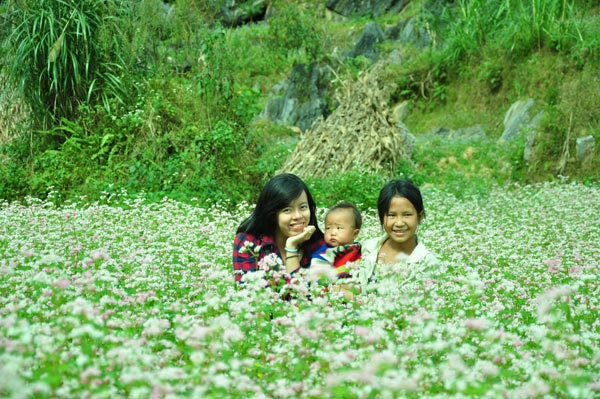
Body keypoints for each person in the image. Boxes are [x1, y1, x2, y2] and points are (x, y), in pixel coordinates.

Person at [233, 173, 325, 283]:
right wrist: (291, 247)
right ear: (272, 214)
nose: (298, 216)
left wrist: (291, 247)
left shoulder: (319, 245)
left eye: (303, 207)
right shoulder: (249, 243)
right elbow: (250, 294)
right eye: (287, 210)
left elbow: (325, 292)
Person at [359, 179, 439, 287]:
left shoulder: (428, 264)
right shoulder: (366, 248)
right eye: (391, 215)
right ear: (381, 217)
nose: (399, 223)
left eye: (407, 215)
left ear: (419, 217)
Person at [310, 201, 362, 279]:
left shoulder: (359, 248)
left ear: (355, 234)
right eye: (328, 228)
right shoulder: (325, 251)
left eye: (339, 228)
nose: (332, 232)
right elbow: (316, 272)